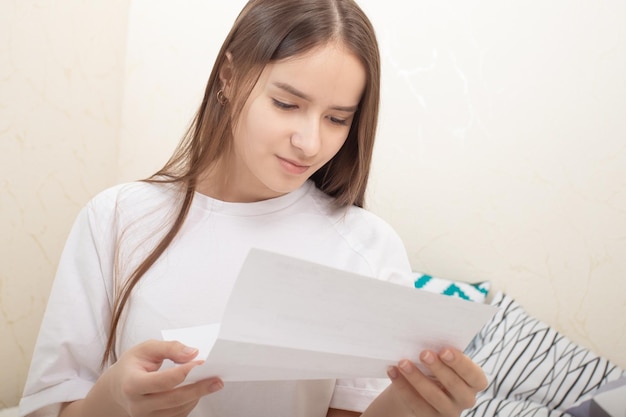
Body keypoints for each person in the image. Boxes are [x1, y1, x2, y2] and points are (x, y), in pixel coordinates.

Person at [19, 0, 488, 416]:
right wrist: (114, 401)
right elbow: (47, 404)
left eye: (337, 119)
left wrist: (408, 405)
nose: (309, 142)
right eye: (286, 104)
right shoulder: (117, 218)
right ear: (229, 77)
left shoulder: (366, 246)